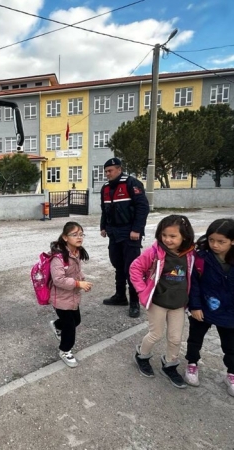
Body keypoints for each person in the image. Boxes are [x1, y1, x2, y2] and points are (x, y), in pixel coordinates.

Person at [184, 218, 234, 398]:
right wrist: (194, 306)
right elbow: (194, 284)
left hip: (230, 310)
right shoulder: (201, 258)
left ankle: (232, 374)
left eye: (221, 242)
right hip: (203, 308)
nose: (215, 245)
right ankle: (192, 364)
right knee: (195, 339)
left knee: (232, 345)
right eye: (211, 240)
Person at [131, 215, 195, 388]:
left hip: (178, 304)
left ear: (184, 236)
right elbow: (135, 268)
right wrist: (142, 290)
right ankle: (142, 356)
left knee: (175, 338)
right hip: (157, 302)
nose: (167, 239)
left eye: (173, 236)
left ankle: (170, 365)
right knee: (155, 334)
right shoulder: (154, 252)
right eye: (164, 235)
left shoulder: (191, 254)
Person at [99, 157, 149, 317]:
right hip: (114, 233)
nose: (107, 174)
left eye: (110, 171)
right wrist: (103, 227)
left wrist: (137, 229)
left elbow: (143, 207)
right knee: (118, 264)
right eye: (106, 171)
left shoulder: (131, 183)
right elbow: (104, 209)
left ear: (119, 169)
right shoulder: (105, 188)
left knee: (132, 268)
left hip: (130, 233)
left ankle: (134, 302)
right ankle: (120, 296)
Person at [47, 221, 93, 368]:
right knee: (70, 326)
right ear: (65, 237)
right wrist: (78, 284)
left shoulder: (76, 252)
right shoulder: (58, 257)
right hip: (60, 298)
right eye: (74, 234)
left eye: (81, 234)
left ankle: (56, 325)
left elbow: (76, 271)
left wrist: (82, 280)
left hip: (73, 296)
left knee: (76, 320)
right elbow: (58, 280)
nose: (79, 237)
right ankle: (65, 350)